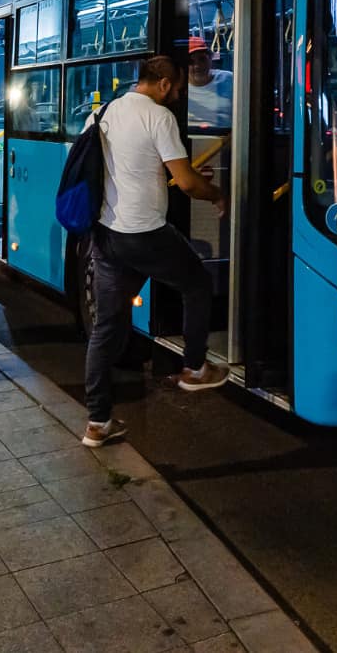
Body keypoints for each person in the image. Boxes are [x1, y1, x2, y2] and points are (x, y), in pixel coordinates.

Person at [81, 55, 229, 449]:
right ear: (163, 83)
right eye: (177, 87)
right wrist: (217, 194)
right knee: (197, 283)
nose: (177, 95)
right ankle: (194, 368)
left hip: (107, 235)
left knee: (106, 329)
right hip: (145, 233)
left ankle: (97, 422)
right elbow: (187, 182)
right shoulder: (159, 117)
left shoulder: (102, 113)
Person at [185, 36, 234, 129]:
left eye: (202, 59)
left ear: (210, 59)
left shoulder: (229, 79)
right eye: (190, 62)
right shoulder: (178, 87)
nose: (197, 66)